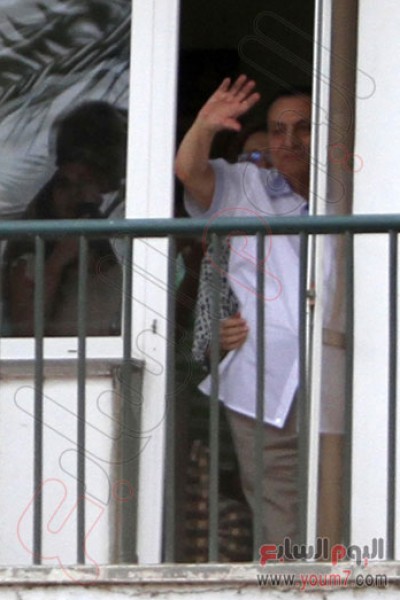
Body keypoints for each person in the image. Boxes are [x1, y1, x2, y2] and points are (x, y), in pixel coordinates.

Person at [175, 75, 345, 549]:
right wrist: (205, 125)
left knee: (346, 508)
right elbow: (189, 170)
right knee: (279, 514)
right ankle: (287, 585)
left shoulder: (356, 190)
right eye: (277, 130)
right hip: (263, 381)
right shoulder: (246, 186)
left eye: (304, 127)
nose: (289, 140)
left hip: (343, 376)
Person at [4, 101, 126, 337]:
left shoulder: (112, 256)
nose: (75, 195)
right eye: (64, 184)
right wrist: (58, 261)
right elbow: (26, 332)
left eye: (86, 182)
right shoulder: (29, 260)